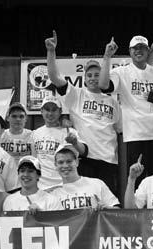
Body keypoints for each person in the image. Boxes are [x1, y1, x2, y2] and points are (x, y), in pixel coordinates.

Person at [49, 143, 128, 249]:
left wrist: (105, 210)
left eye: (69, 161)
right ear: (55, 165)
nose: (65, 165)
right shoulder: (53, 195)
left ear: (77, 162)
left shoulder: (95, 184)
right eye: (60, 162)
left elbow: (118, 214)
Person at [45, 30, 121, 195]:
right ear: (84, 78)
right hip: (84, 158)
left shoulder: (113, 102)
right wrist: (51, 51)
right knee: (84, 203)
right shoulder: (76, 94)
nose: (93, 78)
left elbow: (120, 129)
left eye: (97, 75)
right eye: (89, 75)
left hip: (109, 160)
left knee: (107, 206)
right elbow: (54, 76)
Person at [99, 35, 153, 187]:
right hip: (135, 135)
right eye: (135, 48)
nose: (138, 51)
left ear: (148, 50)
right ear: (129, 51)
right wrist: (107, 56)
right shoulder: (121, 72)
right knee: (137, 183)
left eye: (142, 48)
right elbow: (104, 85)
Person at [31, 95, 87, 189]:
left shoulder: (69, 132)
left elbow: (83, 152)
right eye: (47, 109)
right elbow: (34, 161)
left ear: (60, 111)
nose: (50, 113)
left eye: (54, 110)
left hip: (64, 185)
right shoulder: (35, 133)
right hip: (41, 186)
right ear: (41, 111)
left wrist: (74, 142)